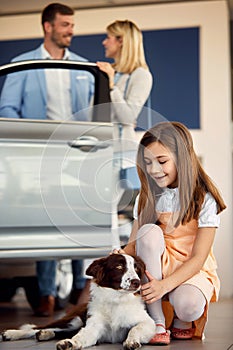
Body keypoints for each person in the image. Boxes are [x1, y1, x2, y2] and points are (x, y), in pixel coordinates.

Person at [0, 3, 94, 317]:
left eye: (72, 24)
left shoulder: (84, 68)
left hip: (76, 156)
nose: (71, 30)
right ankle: (47, 294)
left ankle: (83, 288)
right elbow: (8, 110)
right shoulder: (21, 64)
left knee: (80, 220)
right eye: (65, 24)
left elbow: (93, 113)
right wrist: (26, 147)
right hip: (38, 156)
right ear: (48, 27)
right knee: (48, 222)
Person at [114, 121, 226, 345]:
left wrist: (164, 286)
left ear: (182, 158)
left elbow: (198, 258)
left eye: (162, 161)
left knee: (188, 306)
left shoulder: (205, 198)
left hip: (191, 268)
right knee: (147, 232)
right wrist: (120, 254)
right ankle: (157, 321)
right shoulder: (147, 197)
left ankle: (181, 318)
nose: (154, 170)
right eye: (147, 163)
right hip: (159, 266)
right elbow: (134, 245)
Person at [96, 19, 153, 143]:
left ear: (121, 41)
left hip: (121, 150)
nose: (104, 42)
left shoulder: (141, 75)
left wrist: (111, 86)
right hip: (100, 146)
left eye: (108, 38)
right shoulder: (112, 72)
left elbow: (128, 117)